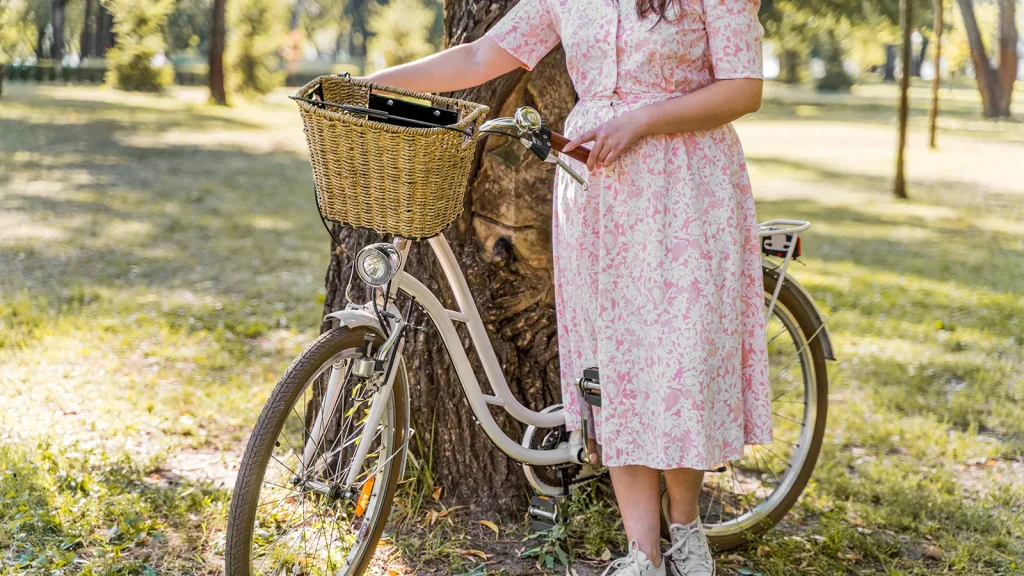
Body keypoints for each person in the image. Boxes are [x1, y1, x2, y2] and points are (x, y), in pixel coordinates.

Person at [359, 0, 770, 573]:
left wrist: (643, 119)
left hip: (687, 188)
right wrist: (370, 87)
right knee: (615, 362)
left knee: (683, 359)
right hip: (598, 188)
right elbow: (482, 56)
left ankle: (686, 526)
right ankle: (641, 554)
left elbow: (742, 90)